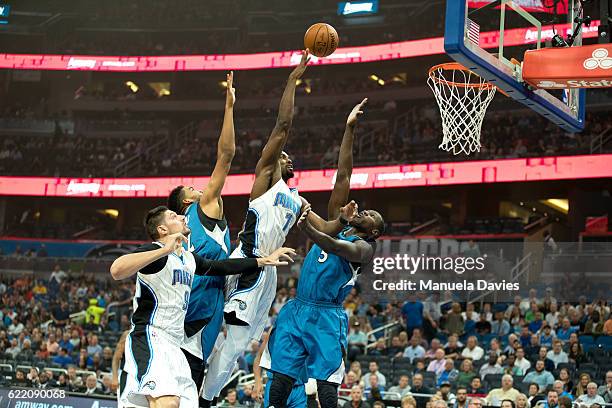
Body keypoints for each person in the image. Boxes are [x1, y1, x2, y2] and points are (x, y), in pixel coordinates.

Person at [202, 50, 350, 406]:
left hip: (269, 274)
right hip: (250, 260)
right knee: (223, 330)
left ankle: (206, 394)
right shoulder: (265, 181)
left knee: (240, 344)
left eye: (287, 156)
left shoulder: (298, 200)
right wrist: (292, 80)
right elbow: (282, 127)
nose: (285, 154)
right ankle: (200, 389)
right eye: (281, 153)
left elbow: (328, 227)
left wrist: (343, 219)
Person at [111, 205, 294, 408]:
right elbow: (117, 270)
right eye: (174, 216)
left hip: (174, 343)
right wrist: (164, 249)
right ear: (162, 230)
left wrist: (262, 261)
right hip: (150, 337)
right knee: (168, 403)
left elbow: (220, 267)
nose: (182, 217)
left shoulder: (188, 258)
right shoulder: (155, 252)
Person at [267, 99, 384, 408]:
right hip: (297, 308)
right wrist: (349, 128)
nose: (365, 210)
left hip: (326, 316)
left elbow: (332, 246)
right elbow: (343, 174)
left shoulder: (363, 248)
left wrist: (305, 225)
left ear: (374, 231)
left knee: (325, 385)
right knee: (281, 377)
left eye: (371, 215)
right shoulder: (337, 224)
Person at [166, 72, 236, 400]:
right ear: (186, 201)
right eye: (191, 188)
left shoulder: (182, 230)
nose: (199, 187)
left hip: (180, 310)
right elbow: (226, 156)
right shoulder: (204, 207)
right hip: (201, 307)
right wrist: (229, 109)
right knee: (189, 390)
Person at [253, 329, 306, 408]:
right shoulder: (275, 329)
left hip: (298, 388)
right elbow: (259, 357)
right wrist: (257, 381)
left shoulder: (309, 326)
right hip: (276, 385)